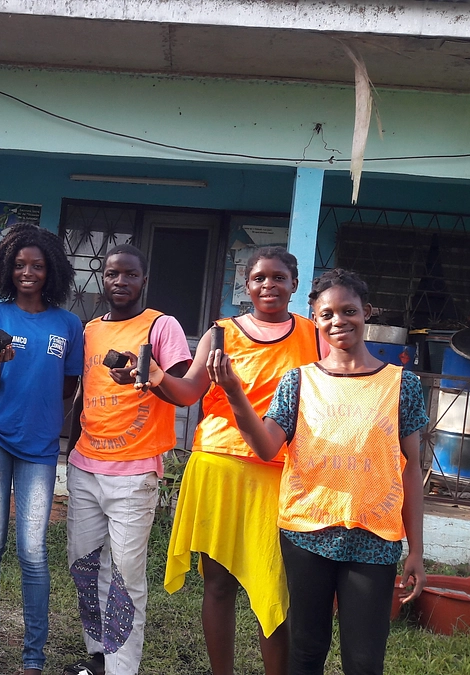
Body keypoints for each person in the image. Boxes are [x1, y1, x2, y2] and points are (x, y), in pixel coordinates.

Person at [210, 268, 427, 675]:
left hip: (374, 537)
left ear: (366, 313)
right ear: (316, 318)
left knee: (364, 662)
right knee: (305, 653)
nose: (338, 321)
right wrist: (236, 394)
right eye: (326, 314)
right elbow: (265, 445)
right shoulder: (298, 382)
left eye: (349, 311)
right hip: (307, 534)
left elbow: (411, 470)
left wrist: (416, 549)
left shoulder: (401, 385)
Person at [143, 247, 319, 675]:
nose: (269, 285)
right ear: (246, 284)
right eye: (259, 278)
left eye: (279, 277)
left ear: (294, 284)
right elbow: (188, 393)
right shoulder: (220, 333)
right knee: (218, 584)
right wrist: (155, 376)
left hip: (278, 471)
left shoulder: (314, 335)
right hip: (218, 465)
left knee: (273, 586)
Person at [62, 244, 191, 675]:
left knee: (124, 574)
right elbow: (83, 393)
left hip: (134, 472)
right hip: (85, 466)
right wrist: (71, 449)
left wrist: (145, 377)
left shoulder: (161, 326)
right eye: (113, 274)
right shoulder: (89, 331)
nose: (120, 282)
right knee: (83, 566)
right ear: (103, 278)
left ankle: (122, 669)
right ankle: (98, 655)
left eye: (130, 275)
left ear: (143, 280)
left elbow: (180, 388)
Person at [0, 224, 83, 675]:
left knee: (33, 550)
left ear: (51, 269)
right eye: (19, 265)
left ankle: (33, 658)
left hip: (39, 446)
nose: (27, 272)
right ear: (6, 269)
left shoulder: (68, 324)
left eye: (36, 265)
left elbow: (67, 387)